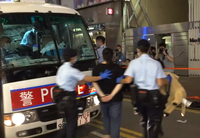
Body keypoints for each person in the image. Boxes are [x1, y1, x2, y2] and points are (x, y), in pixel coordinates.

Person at [116, 39, 169, 138]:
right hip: (153, 97)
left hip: (139, 97)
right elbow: (160, 83)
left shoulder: (133, 63)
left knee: (144, 120)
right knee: (152, 122)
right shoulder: (156, 63)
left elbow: (128, 80)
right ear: (149, 49)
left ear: (138, 49)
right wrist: (167, 80)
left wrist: (120, 80)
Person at [55, 48, 112, 138]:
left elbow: (72, 81)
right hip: (69, 100)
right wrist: (101, 77)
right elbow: (86, 78)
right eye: (75, 57)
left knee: (68, 122)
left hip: (60, 99)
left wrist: (84, 82)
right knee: (72, 125)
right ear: (72, 58)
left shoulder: (61, 68)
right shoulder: (71, 70)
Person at [92, 48, 124, 138]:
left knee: (105, 118)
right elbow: (120, 83)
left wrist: (102, 95)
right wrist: (111, 95)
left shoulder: (97, 68)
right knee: (115, 121)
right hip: (116, 99)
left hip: (103, 99)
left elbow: (94, 82)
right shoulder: (117, 68)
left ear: (102, 56)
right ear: (113, 56)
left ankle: (107, 136)